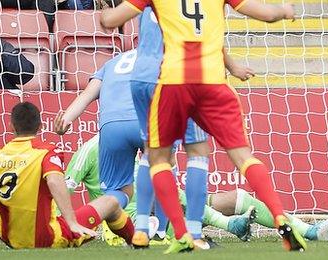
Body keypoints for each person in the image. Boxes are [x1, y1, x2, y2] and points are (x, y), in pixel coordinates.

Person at [101, 0, 302, 253]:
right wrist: (284, 11)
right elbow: (262, 15)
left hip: (159, 80)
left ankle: (159, 231)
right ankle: (272, 217)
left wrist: (103, 13)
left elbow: (110, 20)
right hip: (205, 82)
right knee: (221, 154)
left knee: (155, 156)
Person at [55, 7, 255, 251]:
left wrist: (66, 119)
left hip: (111, 127)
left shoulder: (113, 62)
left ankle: (79, 226)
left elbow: (87, 96)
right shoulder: (169, 58)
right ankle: (165, 232)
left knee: (119, 191)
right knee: (163, 166)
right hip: (147, 117)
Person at [66, 135, 328, 245]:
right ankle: (228, 225)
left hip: (168, 205)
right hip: (131, 224)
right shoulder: (92, 148)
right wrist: (67, 227)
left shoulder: (144, 138)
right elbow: (64, 185)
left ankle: (309, 230)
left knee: (239, 197)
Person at [0, 102, 134, 251]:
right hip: (46, 239)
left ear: (11, 126)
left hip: (9, 238)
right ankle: (137, 242)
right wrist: (71, 222)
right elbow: (54, 181)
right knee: (111, 202)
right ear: (40, 126)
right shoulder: (46, 152)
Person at [64, 134, 256, 246]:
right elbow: (65, 189)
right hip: (123, 227)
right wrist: (64, 228)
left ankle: (236, 225)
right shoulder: (89, 149)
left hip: (156, 215)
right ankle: (218, 229)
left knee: (235, 197)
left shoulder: (132, 143)